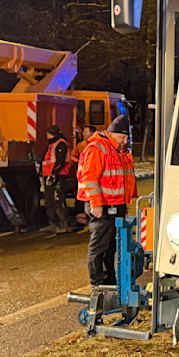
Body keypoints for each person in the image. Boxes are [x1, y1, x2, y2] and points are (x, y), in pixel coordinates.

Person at [77, 115, 136, 287]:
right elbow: (89, 178)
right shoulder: (98, 149)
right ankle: (97, 282)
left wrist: (124, 205)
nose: (124, 141)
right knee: (99, 247)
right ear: (112, 134)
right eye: (122, 137)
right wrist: (96, 204)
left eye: (126, 138)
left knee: (111, 247)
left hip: (115, 205)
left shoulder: (117, 150)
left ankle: (109, 282)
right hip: (102, 206)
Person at [41, 125, 73, 234]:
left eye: (48, 133)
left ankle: (64, 224)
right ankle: (53, 224)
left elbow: (60, 161)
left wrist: (53, 174)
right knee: (49, 201)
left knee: (58, 200)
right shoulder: (52, 145)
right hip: (50, 176)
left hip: (58, 176)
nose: (47, 136)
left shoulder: (61, 144)